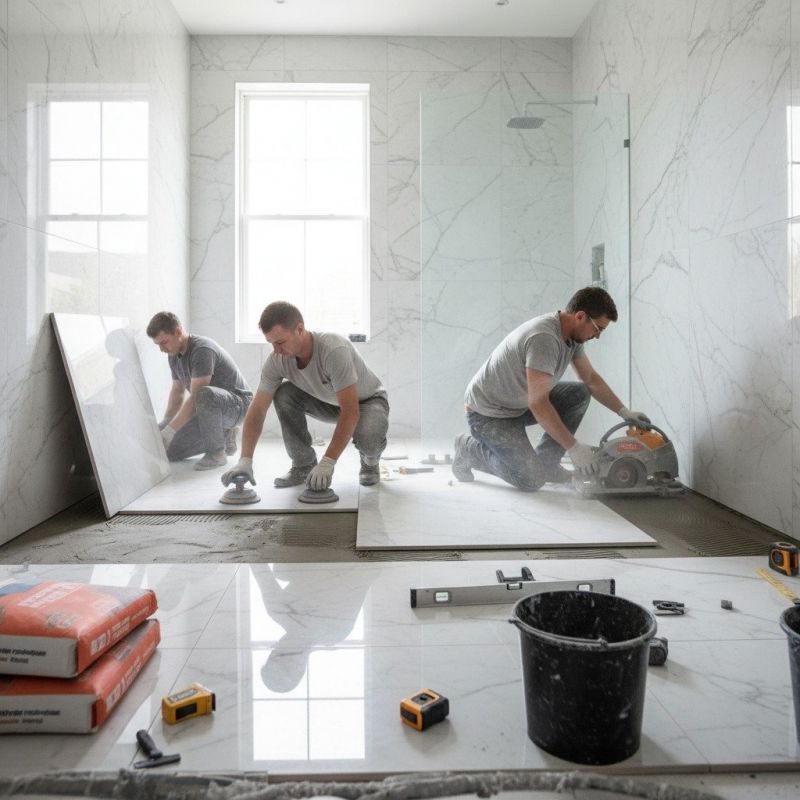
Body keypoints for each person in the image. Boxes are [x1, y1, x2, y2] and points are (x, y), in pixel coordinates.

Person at [452, 286, 649, 492]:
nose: (598, 336)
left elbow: (590, 379)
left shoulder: (572, 336)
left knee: (579, 394)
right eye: (598, 328)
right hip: (488, 414)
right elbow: (538, 403)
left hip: (519, 404)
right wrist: (573, 447)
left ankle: (548, 464)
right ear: (580, 316)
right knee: (530, 479)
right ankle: (468, 448)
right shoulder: (544, 339)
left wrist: (624, 412)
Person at [221, 301, 389, 492]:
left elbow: (351, 411)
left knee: (369, 438)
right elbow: (258, 408)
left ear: (299, 329)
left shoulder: (333, 350)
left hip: (367, 401)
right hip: (329, 402)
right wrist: (245, 460)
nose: (276, 350)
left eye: (280, 342)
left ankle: (370, 461)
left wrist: (328, 462)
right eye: (271, 343)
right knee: (283, 393)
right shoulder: (277, 360)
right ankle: (303, 465)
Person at [146, 311, 253, 470]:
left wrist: (169, 432)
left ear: (178, 332)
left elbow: (196, 398)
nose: (161, 349)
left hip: (238, 406)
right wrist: (166, 423)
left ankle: (217, 453)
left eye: (164, 342)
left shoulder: (202, 350)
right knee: (168, 451)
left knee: (203, 394)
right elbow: (177, 391)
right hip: (208, 409)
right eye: (158, 345)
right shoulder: (173, 354)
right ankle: (223, 435)